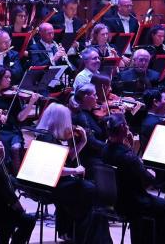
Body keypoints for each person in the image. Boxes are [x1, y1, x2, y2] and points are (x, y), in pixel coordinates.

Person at [35, 103, 112, 244]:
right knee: (90, 190)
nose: (69, 123)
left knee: (88, 194)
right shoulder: (46, 139)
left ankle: (74, 229)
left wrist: (82, 141)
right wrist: (75, 170)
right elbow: (55, 169)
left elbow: (64, 160)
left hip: (57, 183)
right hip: (49, 186)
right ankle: (82, 232)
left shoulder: (49, 136)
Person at [102, 113, 165, 244]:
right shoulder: (127, 155)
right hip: (132, 203)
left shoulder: (105, 149)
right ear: (123, 128)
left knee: (155, 203)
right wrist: (158, 178)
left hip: (115, 201)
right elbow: (149, 180)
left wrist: (130, 147)